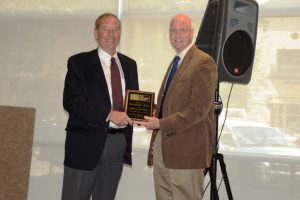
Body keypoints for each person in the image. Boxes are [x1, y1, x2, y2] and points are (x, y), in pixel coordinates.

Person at [135, 14, 217, 200]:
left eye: (182, 30)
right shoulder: (176, 61)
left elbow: (198, 109)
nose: (177, 35)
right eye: (173, 30)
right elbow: (171, 106)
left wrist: (161, 123)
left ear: (192, 33)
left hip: (186, 153)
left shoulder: (203, 62)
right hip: (164, 148)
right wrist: (149, 111)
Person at [61, 13, 139, 200]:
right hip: (85, 143)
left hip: (118, 142)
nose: (111, 34)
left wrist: (142, 112)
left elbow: (133, 100)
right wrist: (108, 114)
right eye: (105, 29)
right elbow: (71, 100)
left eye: (115, 29)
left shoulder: (130, 65)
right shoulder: (79, 62)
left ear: (120, 33)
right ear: (96, 33)